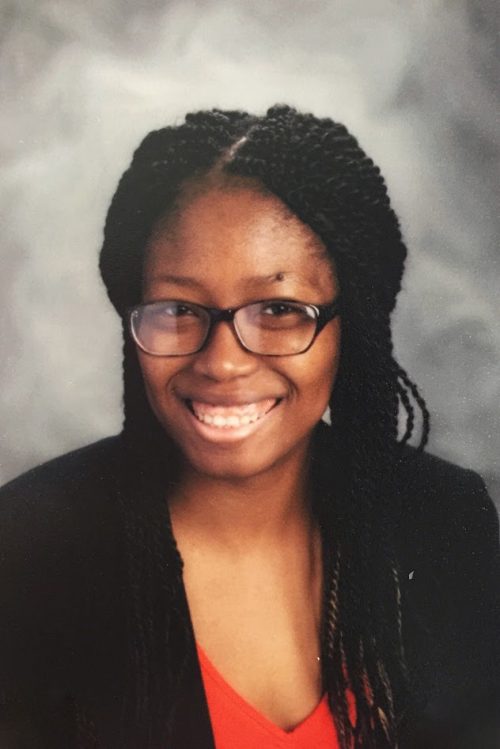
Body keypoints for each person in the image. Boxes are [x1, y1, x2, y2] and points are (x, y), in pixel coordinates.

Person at [0, 105, 498, 749]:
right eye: (179, 308)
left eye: (280, 309)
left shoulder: (442, 521)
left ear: (354, 327)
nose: (224, 361)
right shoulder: (29, 550)